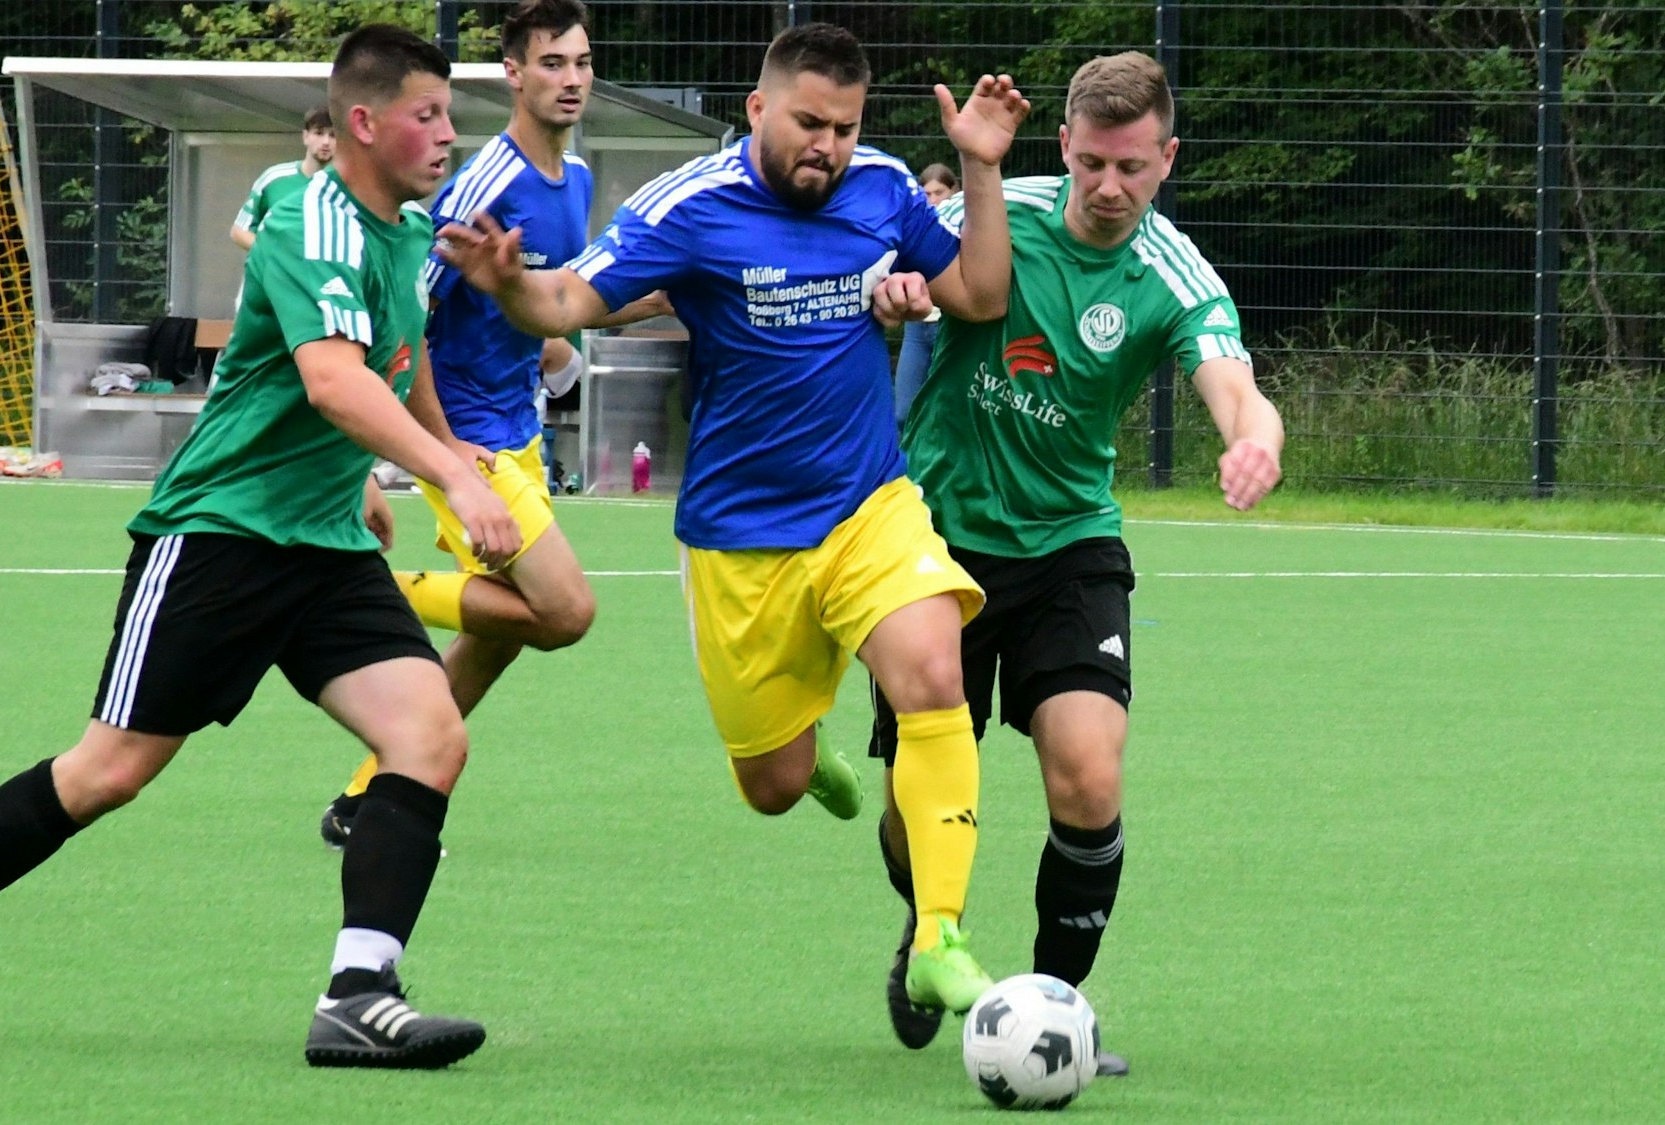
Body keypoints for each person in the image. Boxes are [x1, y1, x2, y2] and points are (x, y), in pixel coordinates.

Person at [0, 26, 521, 1069]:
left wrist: (413, 455)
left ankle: (357, 990)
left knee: (429, 734)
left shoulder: (407, 228)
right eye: (425, 115)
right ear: (361, 122)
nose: (446, 133)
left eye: (446, 114)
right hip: (219, 537)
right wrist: (452, 478)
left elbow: (399, 357)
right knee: (107, 773)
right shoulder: (308, 217)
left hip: (322, 544)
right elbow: (334, 379)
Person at [438, 22, 1029, 1018]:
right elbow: (572, 297)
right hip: (739, 540)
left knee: (934, 670)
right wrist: (506, 286)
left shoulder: (882, 186)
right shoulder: (691, 203)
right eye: (807, 122)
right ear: (758, 110)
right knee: (769, 783)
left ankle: (936, 938)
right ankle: (806, 741)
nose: (826, 147)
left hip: (864, 505)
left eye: (842, 127)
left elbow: (977, 291)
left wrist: (977, 168)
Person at [868, 51, 1285, 1072]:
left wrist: (1253, 438)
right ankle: (930, 932)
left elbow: (1230, 380)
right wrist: (892, 294)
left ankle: (1054, 1009)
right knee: (905, 813)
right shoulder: (990, 204)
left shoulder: (1170, 271)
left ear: (1166, 159)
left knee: (1089, 783)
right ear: (1062, 145)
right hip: (935, 540)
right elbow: (894, 275)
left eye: (1133, 168)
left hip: (1070, 545)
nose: (1109, 188)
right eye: (1092, 162)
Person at [320, 0, 665, 847]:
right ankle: (357, 598)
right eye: (553, 63)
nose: (572, 79)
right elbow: (405, 320)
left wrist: (656, 299)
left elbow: (548, 305)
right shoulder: (481, 185)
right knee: (565, 612)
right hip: (467, 438)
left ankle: (368, 792)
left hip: (522, 432)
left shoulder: (574, 177)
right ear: (513, 72)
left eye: (582, 63)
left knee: (502, 634)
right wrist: (441, 449)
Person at [891, 163, 959, 426]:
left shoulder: (963, 225)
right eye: (926, 194)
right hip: (917, 329)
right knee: (903, 412)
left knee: (946, 415)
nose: (933, 200)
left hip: (949, 326)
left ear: (954, 191)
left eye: (938, 192)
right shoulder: (914, 227)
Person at [229, 105, 337, 251]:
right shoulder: (274, 178)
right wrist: (277, 256)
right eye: (319, 133)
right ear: (305, 137)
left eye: (333, 135)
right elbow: (239, 231)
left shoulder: (348, 187)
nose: (326, 142)